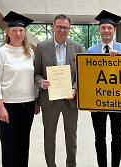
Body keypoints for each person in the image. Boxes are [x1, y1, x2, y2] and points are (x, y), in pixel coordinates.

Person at [0, 11, 40, 167]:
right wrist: (0, 107)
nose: (18, 33)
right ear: (8, 32)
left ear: (25, 33)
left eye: (21, 30)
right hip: (8, 105)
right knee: (9, 145)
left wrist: (36, 101)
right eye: (14, 30)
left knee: (24, 143)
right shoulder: (1, 53)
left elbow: (32, 78)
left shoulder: (29, 52)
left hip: (28, 104)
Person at [34, 14, 82, 167]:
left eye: (65, 27)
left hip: (70, 99)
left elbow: (81, 74)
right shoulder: (41, 46)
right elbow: (36, 73)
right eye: (59, 26)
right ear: (53, 27)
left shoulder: (77, 46)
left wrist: (74, 88)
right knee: (49, 137)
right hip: (49, 100)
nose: (62, 29)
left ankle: (71, 164)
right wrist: (42, 82)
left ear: (69, 29)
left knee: (71, 137)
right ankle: (51, 165)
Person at [87, 10, 121, 167]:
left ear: (114, 30)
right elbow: (88, 78)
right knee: (99, 137)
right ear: (99, 29)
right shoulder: (91, 51)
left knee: (117, 136)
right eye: (103, 27)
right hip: (98, 100)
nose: (106, 30)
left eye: (109, 28)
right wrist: (89, 101)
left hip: (118, 100)